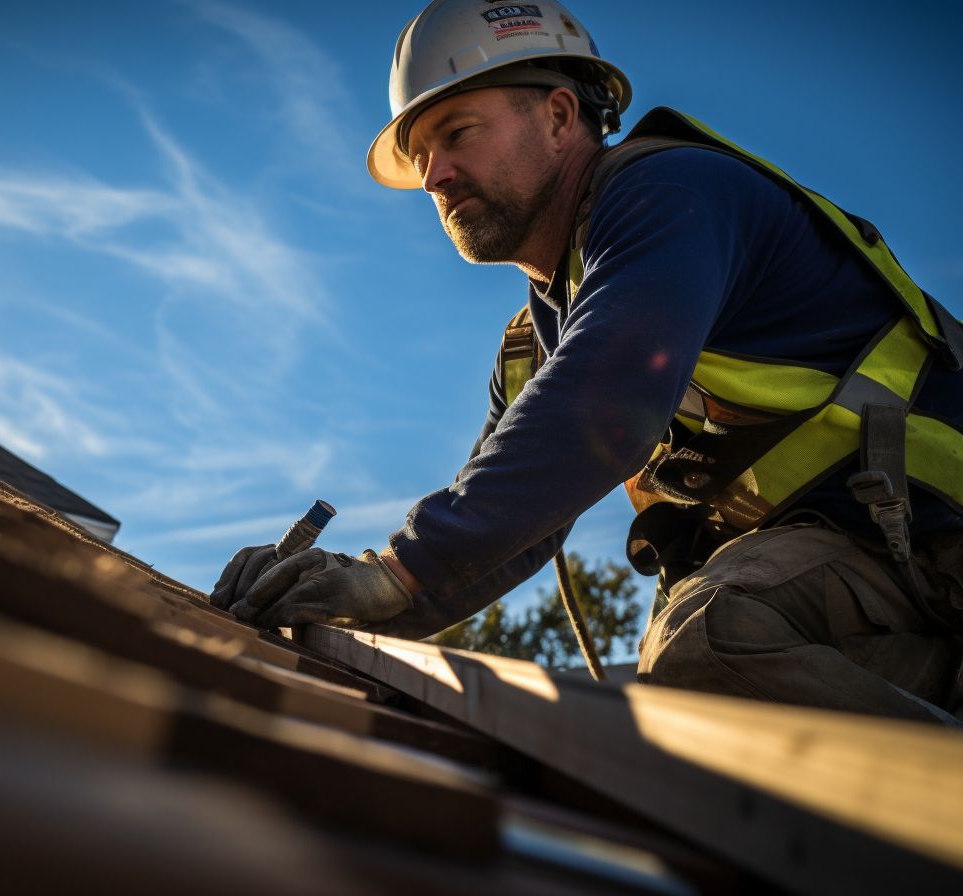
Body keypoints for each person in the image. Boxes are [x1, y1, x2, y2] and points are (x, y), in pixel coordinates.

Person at [210, 0, 963, 725]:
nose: (434, 176)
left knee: (709, 642)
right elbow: (508, 521)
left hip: (931, 543)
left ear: (561, 116)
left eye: (458, 133)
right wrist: (349, 595)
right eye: (420, 155)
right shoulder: (533, 343)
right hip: (854, 565)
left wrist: (400, 571)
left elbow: (604, 398)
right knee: (680, 701)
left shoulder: (670, 197)